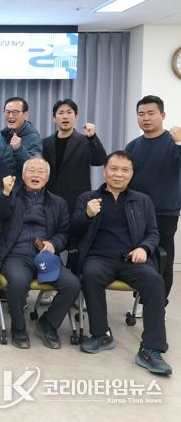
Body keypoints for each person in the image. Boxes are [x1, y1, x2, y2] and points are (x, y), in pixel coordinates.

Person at [73, 151, 171, 375]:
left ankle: (151, 349)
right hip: (99, 257)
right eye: (114, 169)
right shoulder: (88, 198)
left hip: (132, 259)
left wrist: (144, 248)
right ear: (104, 171)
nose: (119, 174)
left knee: (155, 281)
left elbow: (153, 233)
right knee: (90, 274)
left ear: (132, 174)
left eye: (125, 170)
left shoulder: (143, 200)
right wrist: (87, 215)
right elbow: (73, 232)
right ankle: (101, 335)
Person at [0, 157, 80, 349]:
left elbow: (65, 233)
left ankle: (47, 324)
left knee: (72, 284)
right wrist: (5, 193)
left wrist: (53, 243)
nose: (35, 175)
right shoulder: (11, 195)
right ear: (23, 175)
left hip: (45, 256)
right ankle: (18, 328)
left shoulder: (58, 203)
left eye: (40, 171)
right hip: (15, 255)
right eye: (31, 170)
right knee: (17, 283)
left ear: (47, 177)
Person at [125, 95, 181, 306]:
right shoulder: (132, 146)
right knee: (139, 256)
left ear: (162, 115)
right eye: (141, 114)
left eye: (151, 113)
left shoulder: (174, 143)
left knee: (163, 258)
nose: (146, 118)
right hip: (136, 212)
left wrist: (180, 141)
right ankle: (141, 299)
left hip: (165, 211)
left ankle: (159, 304)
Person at [42, 99, 107, 215]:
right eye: (61, 113)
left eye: (69, 112)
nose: (65, 116)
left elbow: (99, 161)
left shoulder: (86, 141)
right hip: (50, 201)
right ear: (54, 118)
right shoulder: (45, 143)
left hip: (76, 201)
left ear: (76, 116)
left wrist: (92, 138)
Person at [0, 97, 42, 200]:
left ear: (25, 114)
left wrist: (19, 149)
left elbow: (34, 168)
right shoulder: (2, 136)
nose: (10, 116)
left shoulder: (33, 137)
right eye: (7, 112)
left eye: (15, 112)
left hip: (18, 198)